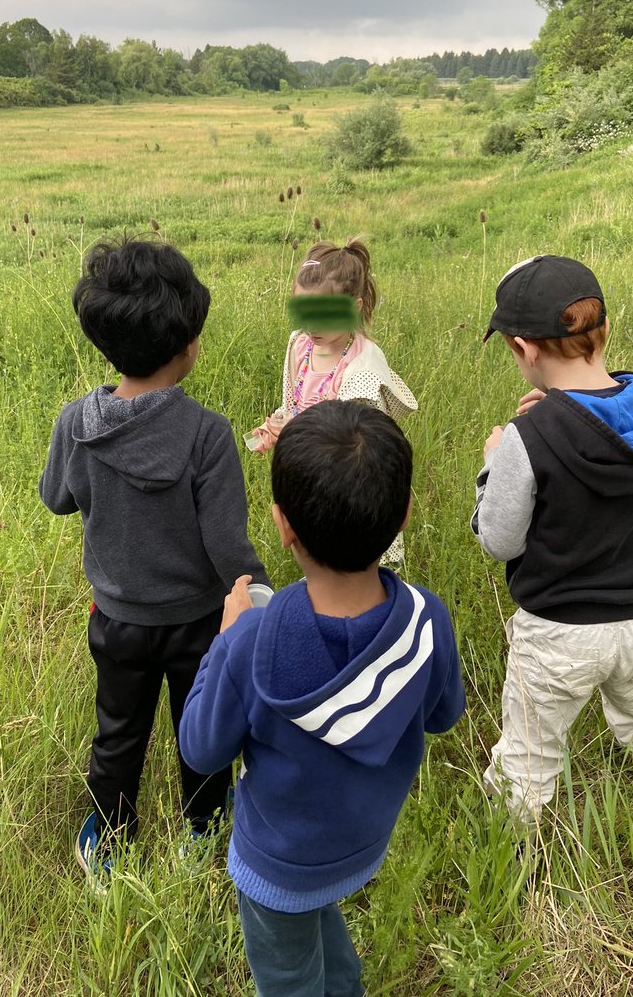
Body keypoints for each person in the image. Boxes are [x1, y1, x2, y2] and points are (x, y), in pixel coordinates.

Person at [180, 401, 465, 997]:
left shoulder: (252, 643)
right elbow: (444, 715)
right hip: (360, 844)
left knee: (287, 975)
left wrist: (224, 639)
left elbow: (201, 750)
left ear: (283, 527)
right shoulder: (426, 620)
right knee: (326, 950)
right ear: (405, 515)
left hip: (276, 865)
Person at [39, 238, 269, 891]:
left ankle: (108, 841)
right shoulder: (207, 434)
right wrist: (262, 592)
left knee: (118, 732)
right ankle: (206, 831)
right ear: (188, 344)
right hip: (198, 623)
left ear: (104, 344)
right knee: (202, 729)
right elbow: (228, 547)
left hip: (115, 620)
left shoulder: (76, 422)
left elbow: (56, 498)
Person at [471, 254, 633, 828]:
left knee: (529, 758)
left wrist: (494, 465)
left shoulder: (525, 437)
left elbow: (499, 540)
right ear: (604, 330)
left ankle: (510, 850)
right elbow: (621, 448)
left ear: (524, 349)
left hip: (557, 635)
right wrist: (569, 412)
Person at [251, 238, 417, 566]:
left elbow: (357, 447)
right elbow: (295, 402)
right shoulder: (300, 346)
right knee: (317, 556)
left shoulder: (361, 369)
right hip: (310, 477)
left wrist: (294, 436)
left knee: (352, 557)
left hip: (349, 486)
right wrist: (279, 425)